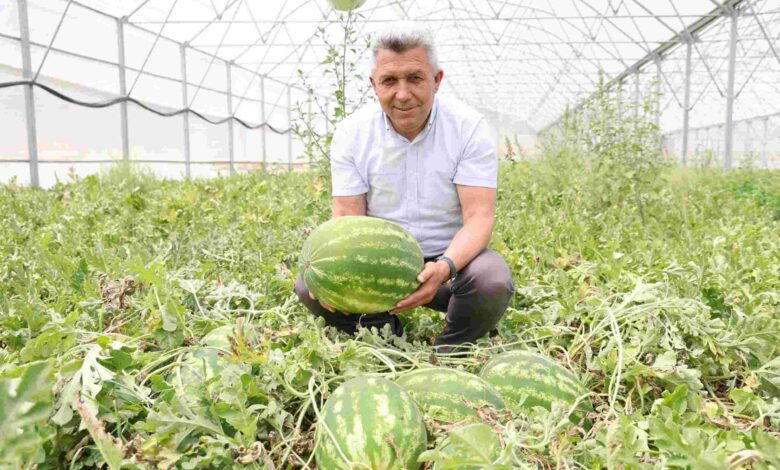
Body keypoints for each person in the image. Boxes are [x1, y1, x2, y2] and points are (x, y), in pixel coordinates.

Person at [294, 23, 514, 352]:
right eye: (389, 81)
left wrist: (444, 267)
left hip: (451, 263)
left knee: (491, 280)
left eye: (414, 78)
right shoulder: (352, 133)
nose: (402, 94)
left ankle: (448, 350)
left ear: (436, 79)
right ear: (374, 84)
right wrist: (331, 278)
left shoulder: (468, 128)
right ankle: (386, 337)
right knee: (307, 288)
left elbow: (479, 218)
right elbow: (347, 219)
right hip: (381, 261)